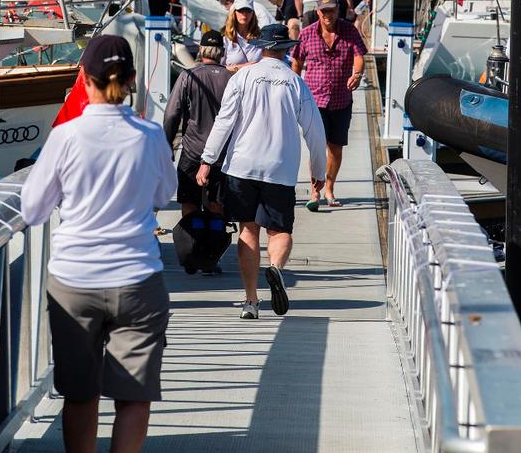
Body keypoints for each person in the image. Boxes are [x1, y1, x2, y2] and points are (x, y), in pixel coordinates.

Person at [21, 35, 176, 453]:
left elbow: (33, 209)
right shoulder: (149, 135)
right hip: (138, 276)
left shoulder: (66, 137)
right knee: (133, 397)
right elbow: (165, 194)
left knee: (80, 393)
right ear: (131, 80)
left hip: (74, 280)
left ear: (84, 79)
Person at [196, 23, 327, 319]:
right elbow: (315, 132)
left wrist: (207, 160)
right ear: (286, 50)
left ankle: (251, 301)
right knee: (280, 231)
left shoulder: (243, 77)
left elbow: (224, 121)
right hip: (279, 168)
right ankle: (276, 270)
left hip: (241, 165)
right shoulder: (295, 82)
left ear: (262, 47)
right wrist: (319, 171)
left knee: (248, 229)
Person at [291, 0, 366, 209]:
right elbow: (297, 62)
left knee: (336, 148)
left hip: (341, 100)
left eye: (331, 10)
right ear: (318, 11)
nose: (328, 14)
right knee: (316, 148)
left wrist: (357, 74)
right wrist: (294, 88)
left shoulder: (350, 31)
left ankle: (330, 188)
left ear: (338, 10)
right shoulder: (306, 34)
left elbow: (359, 55)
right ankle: (315, 191)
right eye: (324, 11)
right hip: (314, 100)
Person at [163, 30, 232, 219]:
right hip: (223, 155)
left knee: (189, 203)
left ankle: (191, 242)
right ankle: (214, 244)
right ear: (222, 52)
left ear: (201, 50)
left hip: (192, 153)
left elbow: (171, 114)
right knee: (217, 205)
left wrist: (167, 146)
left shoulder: (189, 76)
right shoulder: (232, 79)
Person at [223, 0, 263, 71]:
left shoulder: (261, 37)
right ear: (234, 12)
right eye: (240, 10)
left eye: (248, 11)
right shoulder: (225, 38)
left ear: (252, 13)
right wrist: (242, 67)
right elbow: (218, 68)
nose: (244, 14)